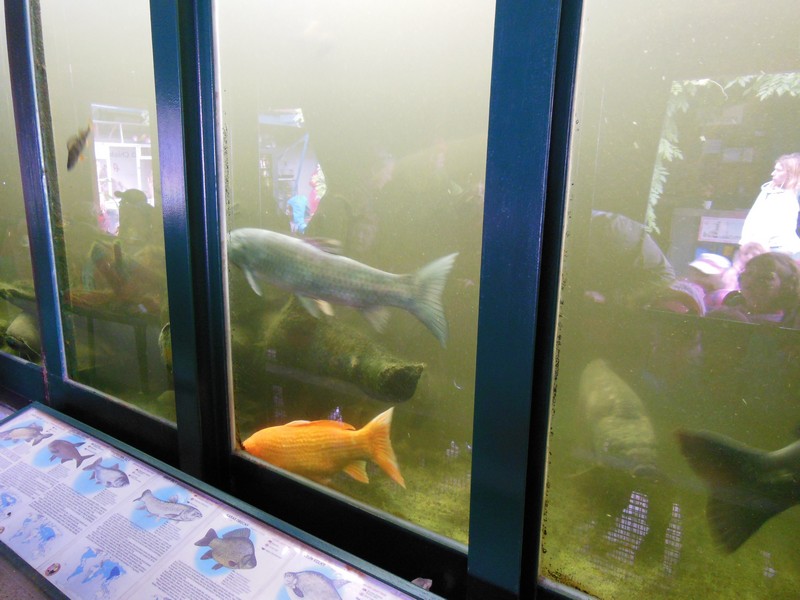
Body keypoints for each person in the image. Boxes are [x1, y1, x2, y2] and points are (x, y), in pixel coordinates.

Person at [707, 251, 800, 327]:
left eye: (764, 278)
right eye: (748, 274)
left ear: (787, 286)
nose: (750, 282)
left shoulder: (793, 322)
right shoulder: (729, 307)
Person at [739, 153, 800, 257]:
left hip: (784, 251)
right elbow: (753, 218)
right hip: (761, 249)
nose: (772, 173)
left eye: (778, 170)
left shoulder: (796, 195)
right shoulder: (768, 190)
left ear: (791, 174)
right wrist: (745, 242)